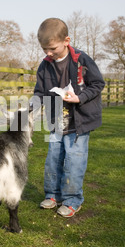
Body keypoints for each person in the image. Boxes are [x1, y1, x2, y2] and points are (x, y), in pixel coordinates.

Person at [33, 18, 105, 217]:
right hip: (56, 122)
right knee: (53, 160)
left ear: (66, 40)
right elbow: (39, 91)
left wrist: (79, 98)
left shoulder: (82, 60)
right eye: (44, 49)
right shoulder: (45, 65)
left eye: (52, 48)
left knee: (74, 161)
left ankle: (73, 199)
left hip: (79, 123)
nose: (48, 53)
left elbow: (98, 84)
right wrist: (33, 105)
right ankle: (53, 195)